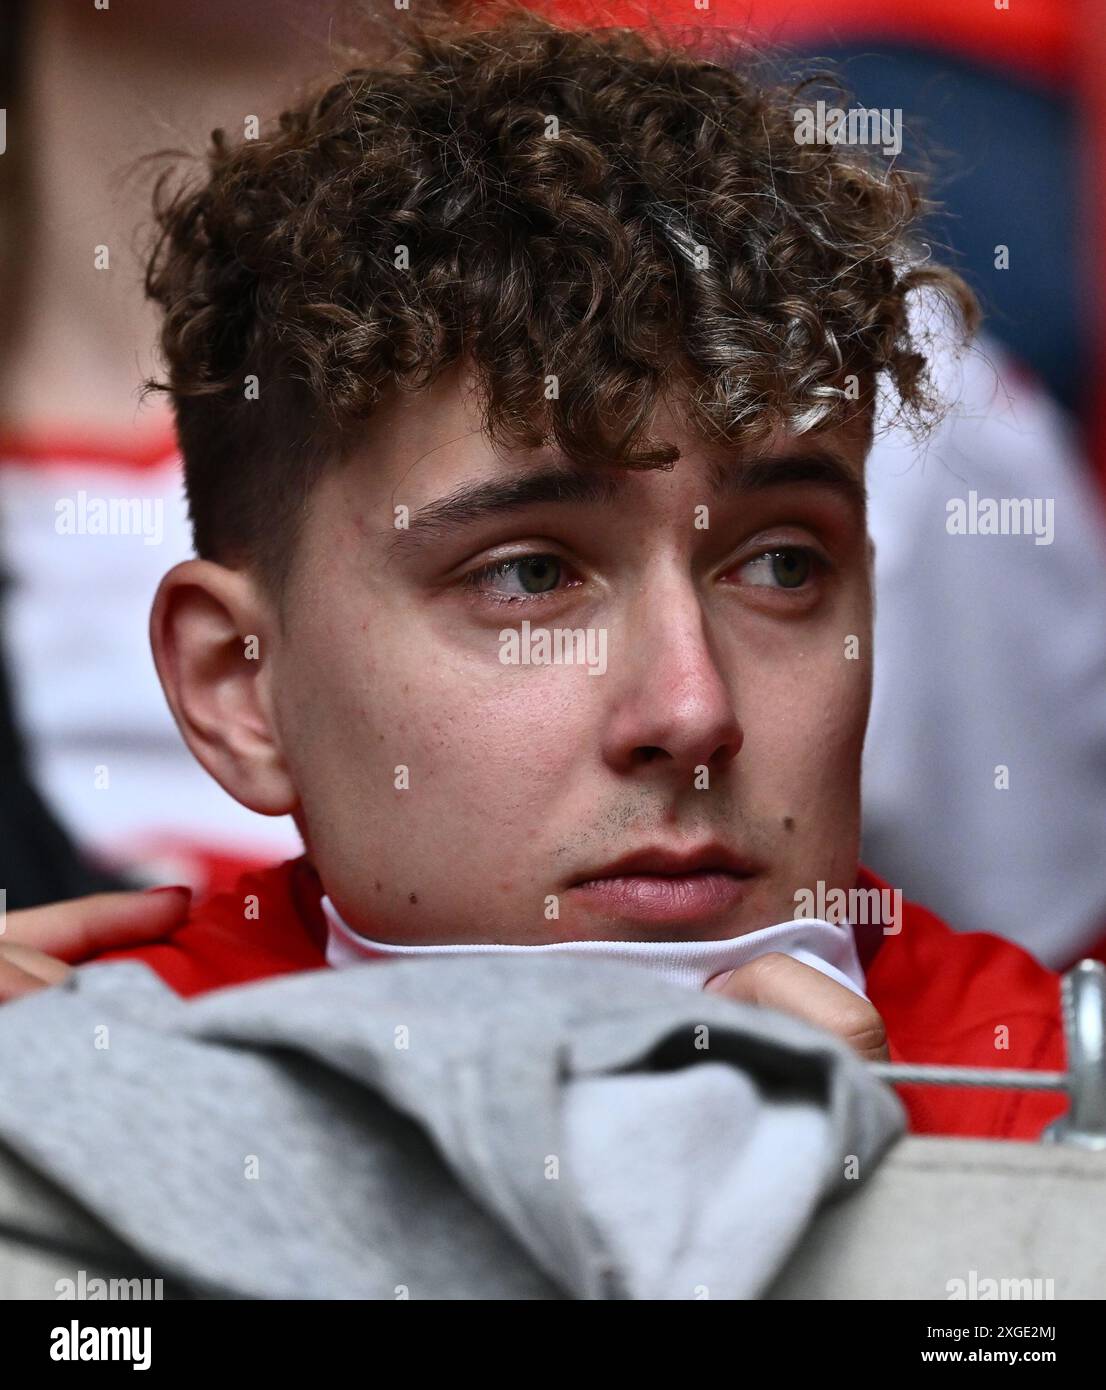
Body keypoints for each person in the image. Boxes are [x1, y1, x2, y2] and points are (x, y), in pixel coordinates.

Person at [0, 10, 1070, 1142]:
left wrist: (918, 1227)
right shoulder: (84, 1094)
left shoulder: (1044, 1104)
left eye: (779, 562)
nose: (693, 709)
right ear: (237, 685)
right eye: (522, 579)